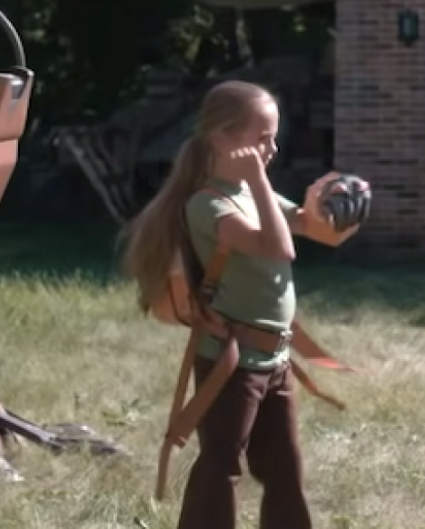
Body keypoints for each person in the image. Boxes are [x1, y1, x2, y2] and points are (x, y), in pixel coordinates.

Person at [117, 79, 364, 529]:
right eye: (263, 138)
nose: (272, 149)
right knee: (221, 465)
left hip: (274, 359)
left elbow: (314, 229)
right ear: (222, 138)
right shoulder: (207, 205)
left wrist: (335, 203)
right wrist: (258, 180)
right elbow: (278, 246)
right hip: (230, 363)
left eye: (274, 137)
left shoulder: (253, 194)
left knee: (284, 469)